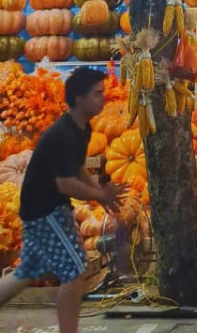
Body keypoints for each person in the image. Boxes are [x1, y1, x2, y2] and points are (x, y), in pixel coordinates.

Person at [0, 67, 124, 333]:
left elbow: (77, 169)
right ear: (79, 99)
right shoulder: (62, 134)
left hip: (50, 208)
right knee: (74, 268)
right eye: (97, 93)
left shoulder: (82, 128)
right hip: (45, 210)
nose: (103, 98)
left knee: (26, 271)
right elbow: (65, 183)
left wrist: (98, 192)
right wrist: (100, 194)